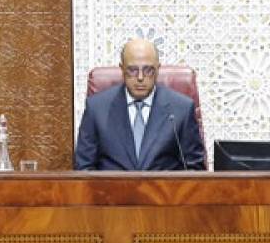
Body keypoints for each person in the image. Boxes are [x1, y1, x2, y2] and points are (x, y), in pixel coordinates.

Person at [74, 38, 205, 171]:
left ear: (158, 69)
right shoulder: (97, 108)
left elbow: (195, 172)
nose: (140, 77)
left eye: (148, 70)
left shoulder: (181, 109)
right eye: (132, 70)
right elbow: (84, 169)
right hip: (111, 191)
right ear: (122, 69)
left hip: (164, 191)